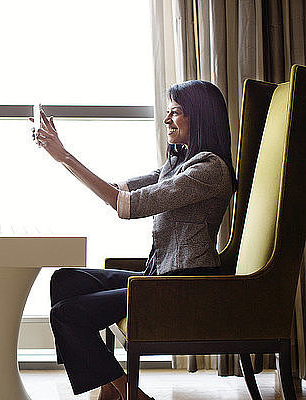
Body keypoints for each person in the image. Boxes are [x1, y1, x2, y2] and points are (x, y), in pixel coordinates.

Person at [33, 80, 236, 400]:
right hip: (160, 277)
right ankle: (108, 388)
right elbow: (120, 189)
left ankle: (129, 392)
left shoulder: (208, 169)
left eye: (176, 112)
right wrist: (61, 157)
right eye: (168, 112)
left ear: (200, 117)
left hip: (184, 285)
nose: (167, 120)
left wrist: (66, 156)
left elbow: (126, 206)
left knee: (65, 314)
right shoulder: (178, 164)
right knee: (65, 280)